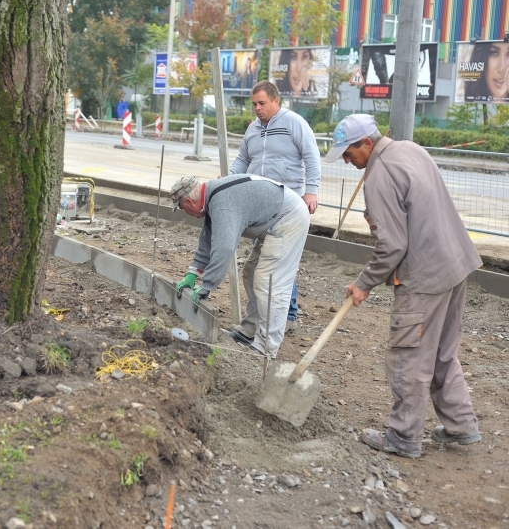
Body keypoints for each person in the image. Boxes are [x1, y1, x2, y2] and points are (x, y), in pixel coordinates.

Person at [324, 114, 482, 458]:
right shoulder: (410, 149)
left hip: (424, 276)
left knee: (408, 357)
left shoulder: (378, 177)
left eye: (349, 154)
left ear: (367, 143)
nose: (348, 162)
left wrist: (364, 282)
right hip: (455, 264)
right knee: (441, 352)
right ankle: (461, 425)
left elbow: (392, 245)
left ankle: (403, 437)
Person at [171, 174, 309, 358]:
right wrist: (193, 273)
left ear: (189, 201)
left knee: (270, 282)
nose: (184, 212)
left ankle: (266, 348)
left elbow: (224, 248)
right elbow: (208, 239)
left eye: (181, 208)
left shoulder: (222, 203)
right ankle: (248, 332)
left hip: (288, 218)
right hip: (275, 217)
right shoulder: (213, 196)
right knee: (251, 273)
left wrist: (207, 285)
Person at [228, 80, 320, 334]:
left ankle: (286, 316)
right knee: (266, 262)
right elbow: (243, 159)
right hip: (260, 204)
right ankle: (265, 317)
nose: (257, 108)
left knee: (277, 261)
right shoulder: (253, 130)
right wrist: (227, 182)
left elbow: (311, 155)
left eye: (262, 103)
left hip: (287, 204)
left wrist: (311, 191)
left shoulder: (293, 123)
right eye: (254, 104)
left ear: (276, 101)